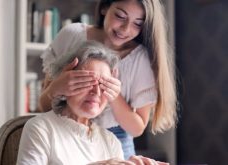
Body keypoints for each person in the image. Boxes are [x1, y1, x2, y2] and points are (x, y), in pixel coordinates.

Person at [39, 0, 177, 160]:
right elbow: (43, 106)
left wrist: (114, 96)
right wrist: (56, 88)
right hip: (66, 131)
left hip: (116, 138)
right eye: (120, 16)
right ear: (105, 7)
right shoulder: (72, 35)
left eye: (137, 24)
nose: (126, 29)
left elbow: (137, 128)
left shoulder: (140, 60)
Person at [16, 41, 168, 165]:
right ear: (67, 82)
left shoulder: (111, 141)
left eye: (104, 85)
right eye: (87, 82)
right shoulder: (41, 128)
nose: (96, 92)